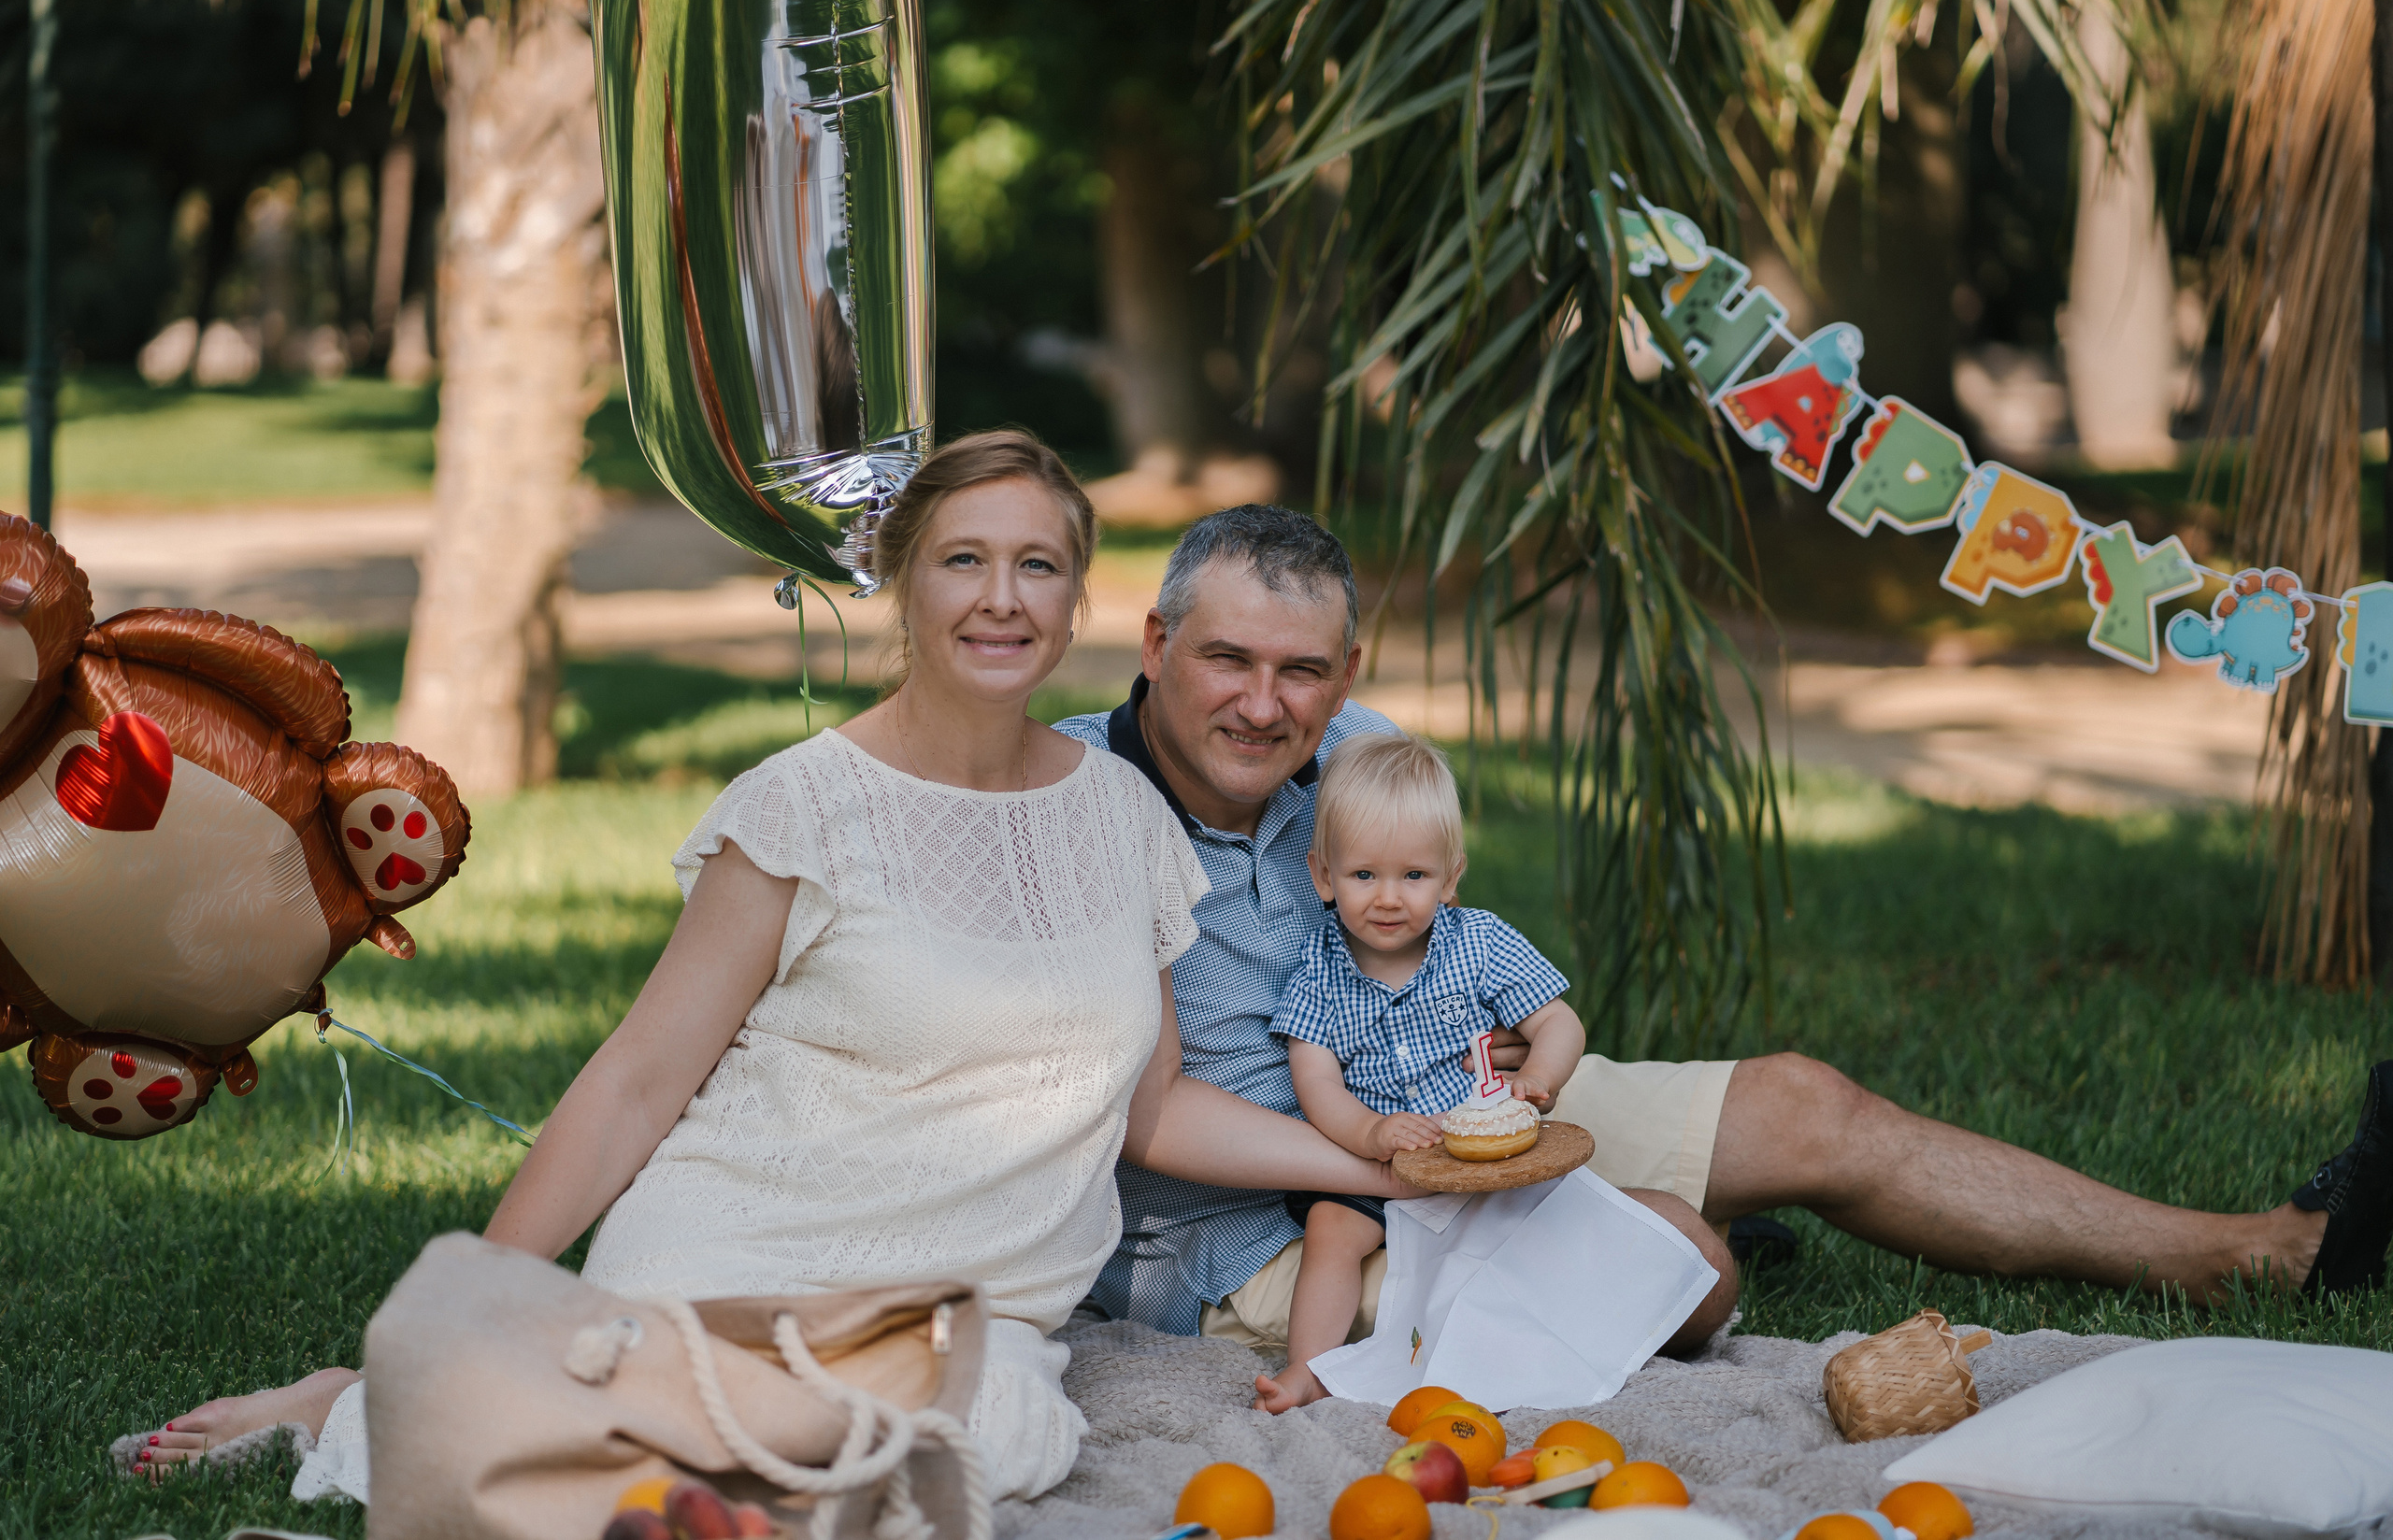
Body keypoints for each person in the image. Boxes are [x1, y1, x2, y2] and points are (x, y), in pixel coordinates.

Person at [122, 435, 1437, 1503]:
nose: (1001, 596)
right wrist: (456, 1307)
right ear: (904, 585)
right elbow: (637, 1081)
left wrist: (1386, 1164)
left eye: (1037, 564)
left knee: (986, 1444)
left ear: (1077, 603)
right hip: (744, 1237)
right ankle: (367, 1398)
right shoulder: (803, 804)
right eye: (963, 559)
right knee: (708, 1456)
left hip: (966, 1314)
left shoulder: (1125, 818)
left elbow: (1152, 1108)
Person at [1054, 504, 2393, 1363]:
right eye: (1228, 659)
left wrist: (1502, 1047)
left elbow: (1432, 931)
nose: (1264, 704)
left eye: (1301, 669)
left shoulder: (1357, 752)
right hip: (1252, 1228)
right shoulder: (1072, 800)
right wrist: (1404, 1171)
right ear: (1157, 641)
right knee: (1681, 1271)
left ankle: (2248, 1254)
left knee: (1806, 1103)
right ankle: (1682, 1233)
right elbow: (1150, 1116)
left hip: (1448, 1110)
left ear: (1347, 670)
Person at [1256, 730, 1587, 1412]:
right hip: (1383, 1160)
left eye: (1413, 876)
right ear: (1324, 875)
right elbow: (1315, 1081)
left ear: (1450, 876)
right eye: (1363, 875)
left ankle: (1558, 1336)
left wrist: (1537, 1080)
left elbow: (1560, 1023)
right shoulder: (1319, 969)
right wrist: (1371, 1132)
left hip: (1479, 1145)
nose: (1388, 897)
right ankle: (1309, 1367)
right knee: (1330, 1233)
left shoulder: (1480, 943)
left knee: (1543, 1216)